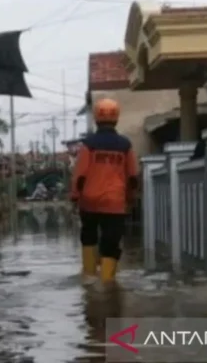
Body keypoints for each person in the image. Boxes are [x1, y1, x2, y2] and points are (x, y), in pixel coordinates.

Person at [70, 98, 139, 284]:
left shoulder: (88, 144)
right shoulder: (125, 145)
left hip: (89, 201)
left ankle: (89, 277)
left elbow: (80, 175)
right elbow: (132, 176)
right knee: (111, 242)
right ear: (116, 118)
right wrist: (131, 199)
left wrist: (74, 197)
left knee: (89, 237)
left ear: (96, 118)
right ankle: (107, 283)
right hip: (115, 203)